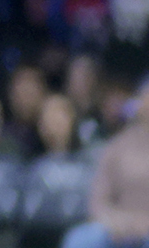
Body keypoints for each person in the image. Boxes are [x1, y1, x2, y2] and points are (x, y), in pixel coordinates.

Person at [62, 86, 149, 248]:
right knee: (79, 239)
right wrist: (115, 222)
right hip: (119, 226)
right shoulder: (117, 147)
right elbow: (98, 200)